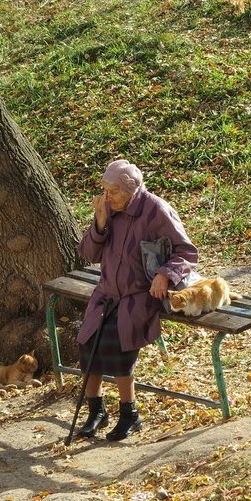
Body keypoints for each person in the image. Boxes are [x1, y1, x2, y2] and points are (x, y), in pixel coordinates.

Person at [75, 159, 198, 441]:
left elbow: (186, 251)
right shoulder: (108, 209)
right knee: (89, 344)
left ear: (130, 189)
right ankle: (96, 410)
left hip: (138, 294)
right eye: (104, 190)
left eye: (113, 191)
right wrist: (100, 224)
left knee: (119, 349)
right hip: (106, 292)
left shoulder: (155, 209)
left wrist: (166, 275)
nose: (107, 197)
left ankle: (129, 414)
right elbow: (89, 254)